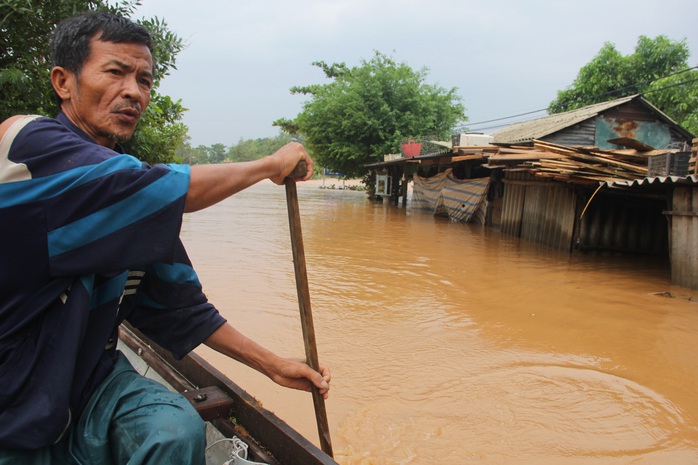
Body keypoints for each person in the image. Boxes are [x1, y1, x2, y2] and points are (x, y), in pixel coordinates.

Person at [0, 12, 329, 465]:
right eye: (115, 72)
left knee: (173, 429)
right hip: (13, 396)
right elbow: (154, 187)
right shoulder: (25, 142)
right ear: (63, 82)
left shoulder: (131, 204)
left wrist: (273, 365)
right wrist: (270, 165)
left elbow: (182, 309)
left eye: (145, 80)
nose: (133, 91)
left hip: (88, 380)